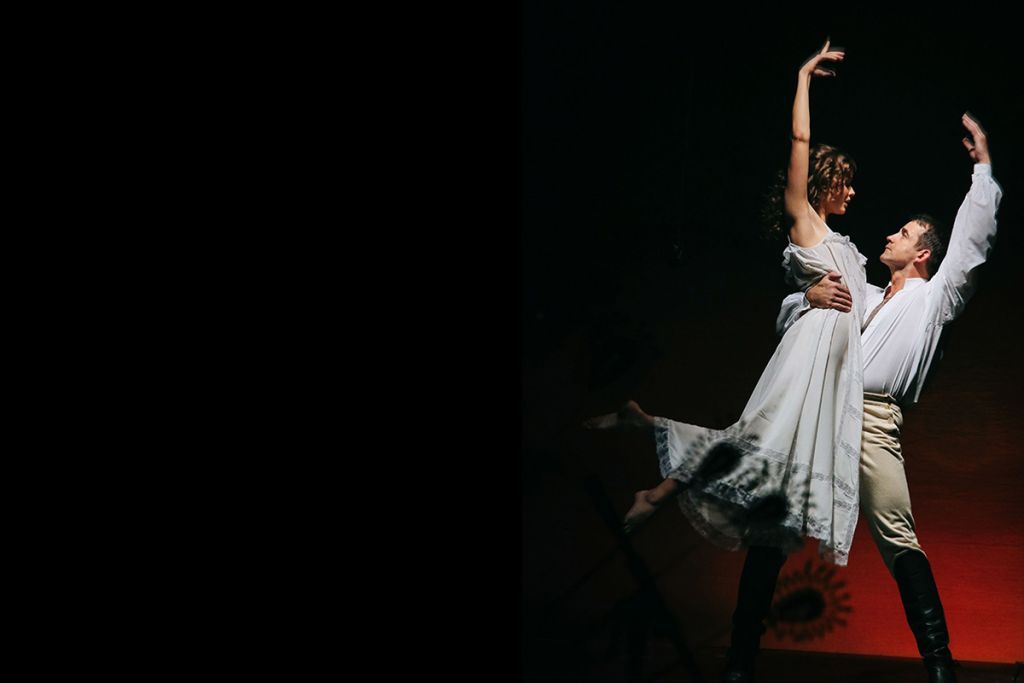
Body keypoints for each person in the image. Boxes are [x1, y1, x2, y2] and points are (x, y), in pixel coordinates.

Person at [721, 112, 1001, 683]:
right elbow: (796, 317)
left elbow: (971, 246)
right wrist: (807, 295)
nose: (891, 236)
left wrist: (982, 171)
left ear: (922, 254)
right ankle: (738, 662)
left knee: (899, 536)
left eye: (904, 233)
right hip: (826, 412)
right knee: (774, 527)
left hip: (874, 421)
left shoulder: (935, 299)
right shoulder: (865, 293)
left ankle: (940, 667)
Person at [585, 38, 867, 565]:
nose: (852, 193)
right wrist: (803, 78)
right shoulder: (805, 222)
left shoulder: (847, 248)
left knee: (770, 452)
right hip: (804, 358)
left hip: (827, 371)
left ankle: (647, 440)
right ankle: (653, 478)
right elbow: (800, 138)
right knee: (754, 437)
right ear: (825, 182)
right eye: (846, 183)